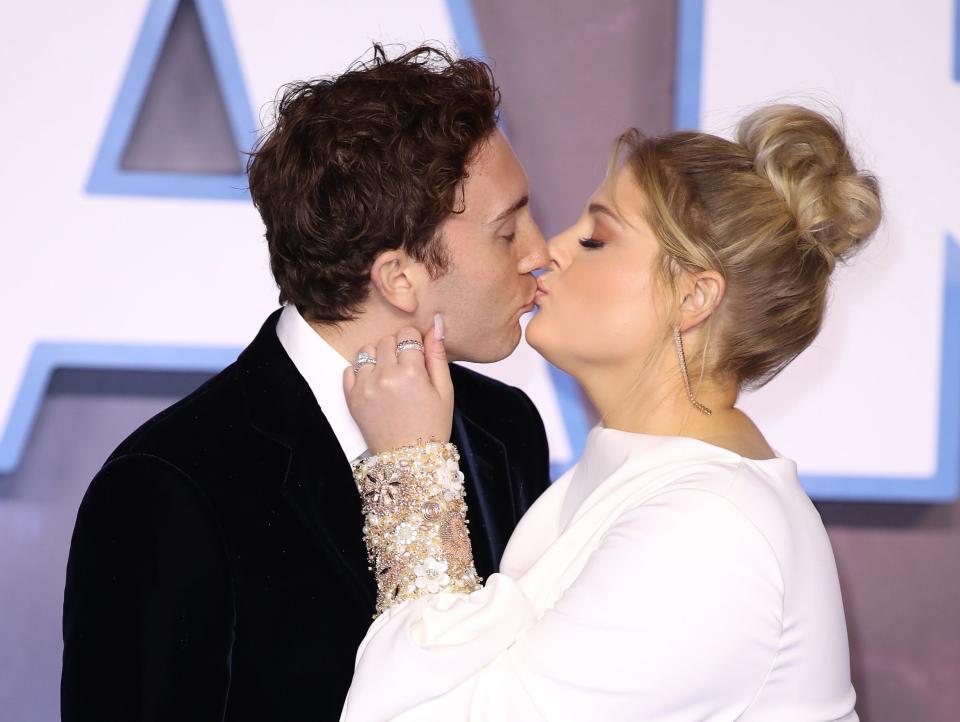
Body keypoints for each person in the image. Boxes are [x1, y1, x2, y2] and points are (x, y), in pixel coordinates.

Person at [339, 104, 881, 721]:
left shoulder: (710, 529)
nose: (548, 251)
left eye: (598, 238)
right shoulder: (642, 485)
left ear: (693, 295)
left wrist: (412, 477)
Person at [61, 46, 551, 721]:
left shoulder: (505, 429)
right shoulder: (170, 485)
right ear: (398, 277)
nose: (540, 252)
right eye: (508, 230)